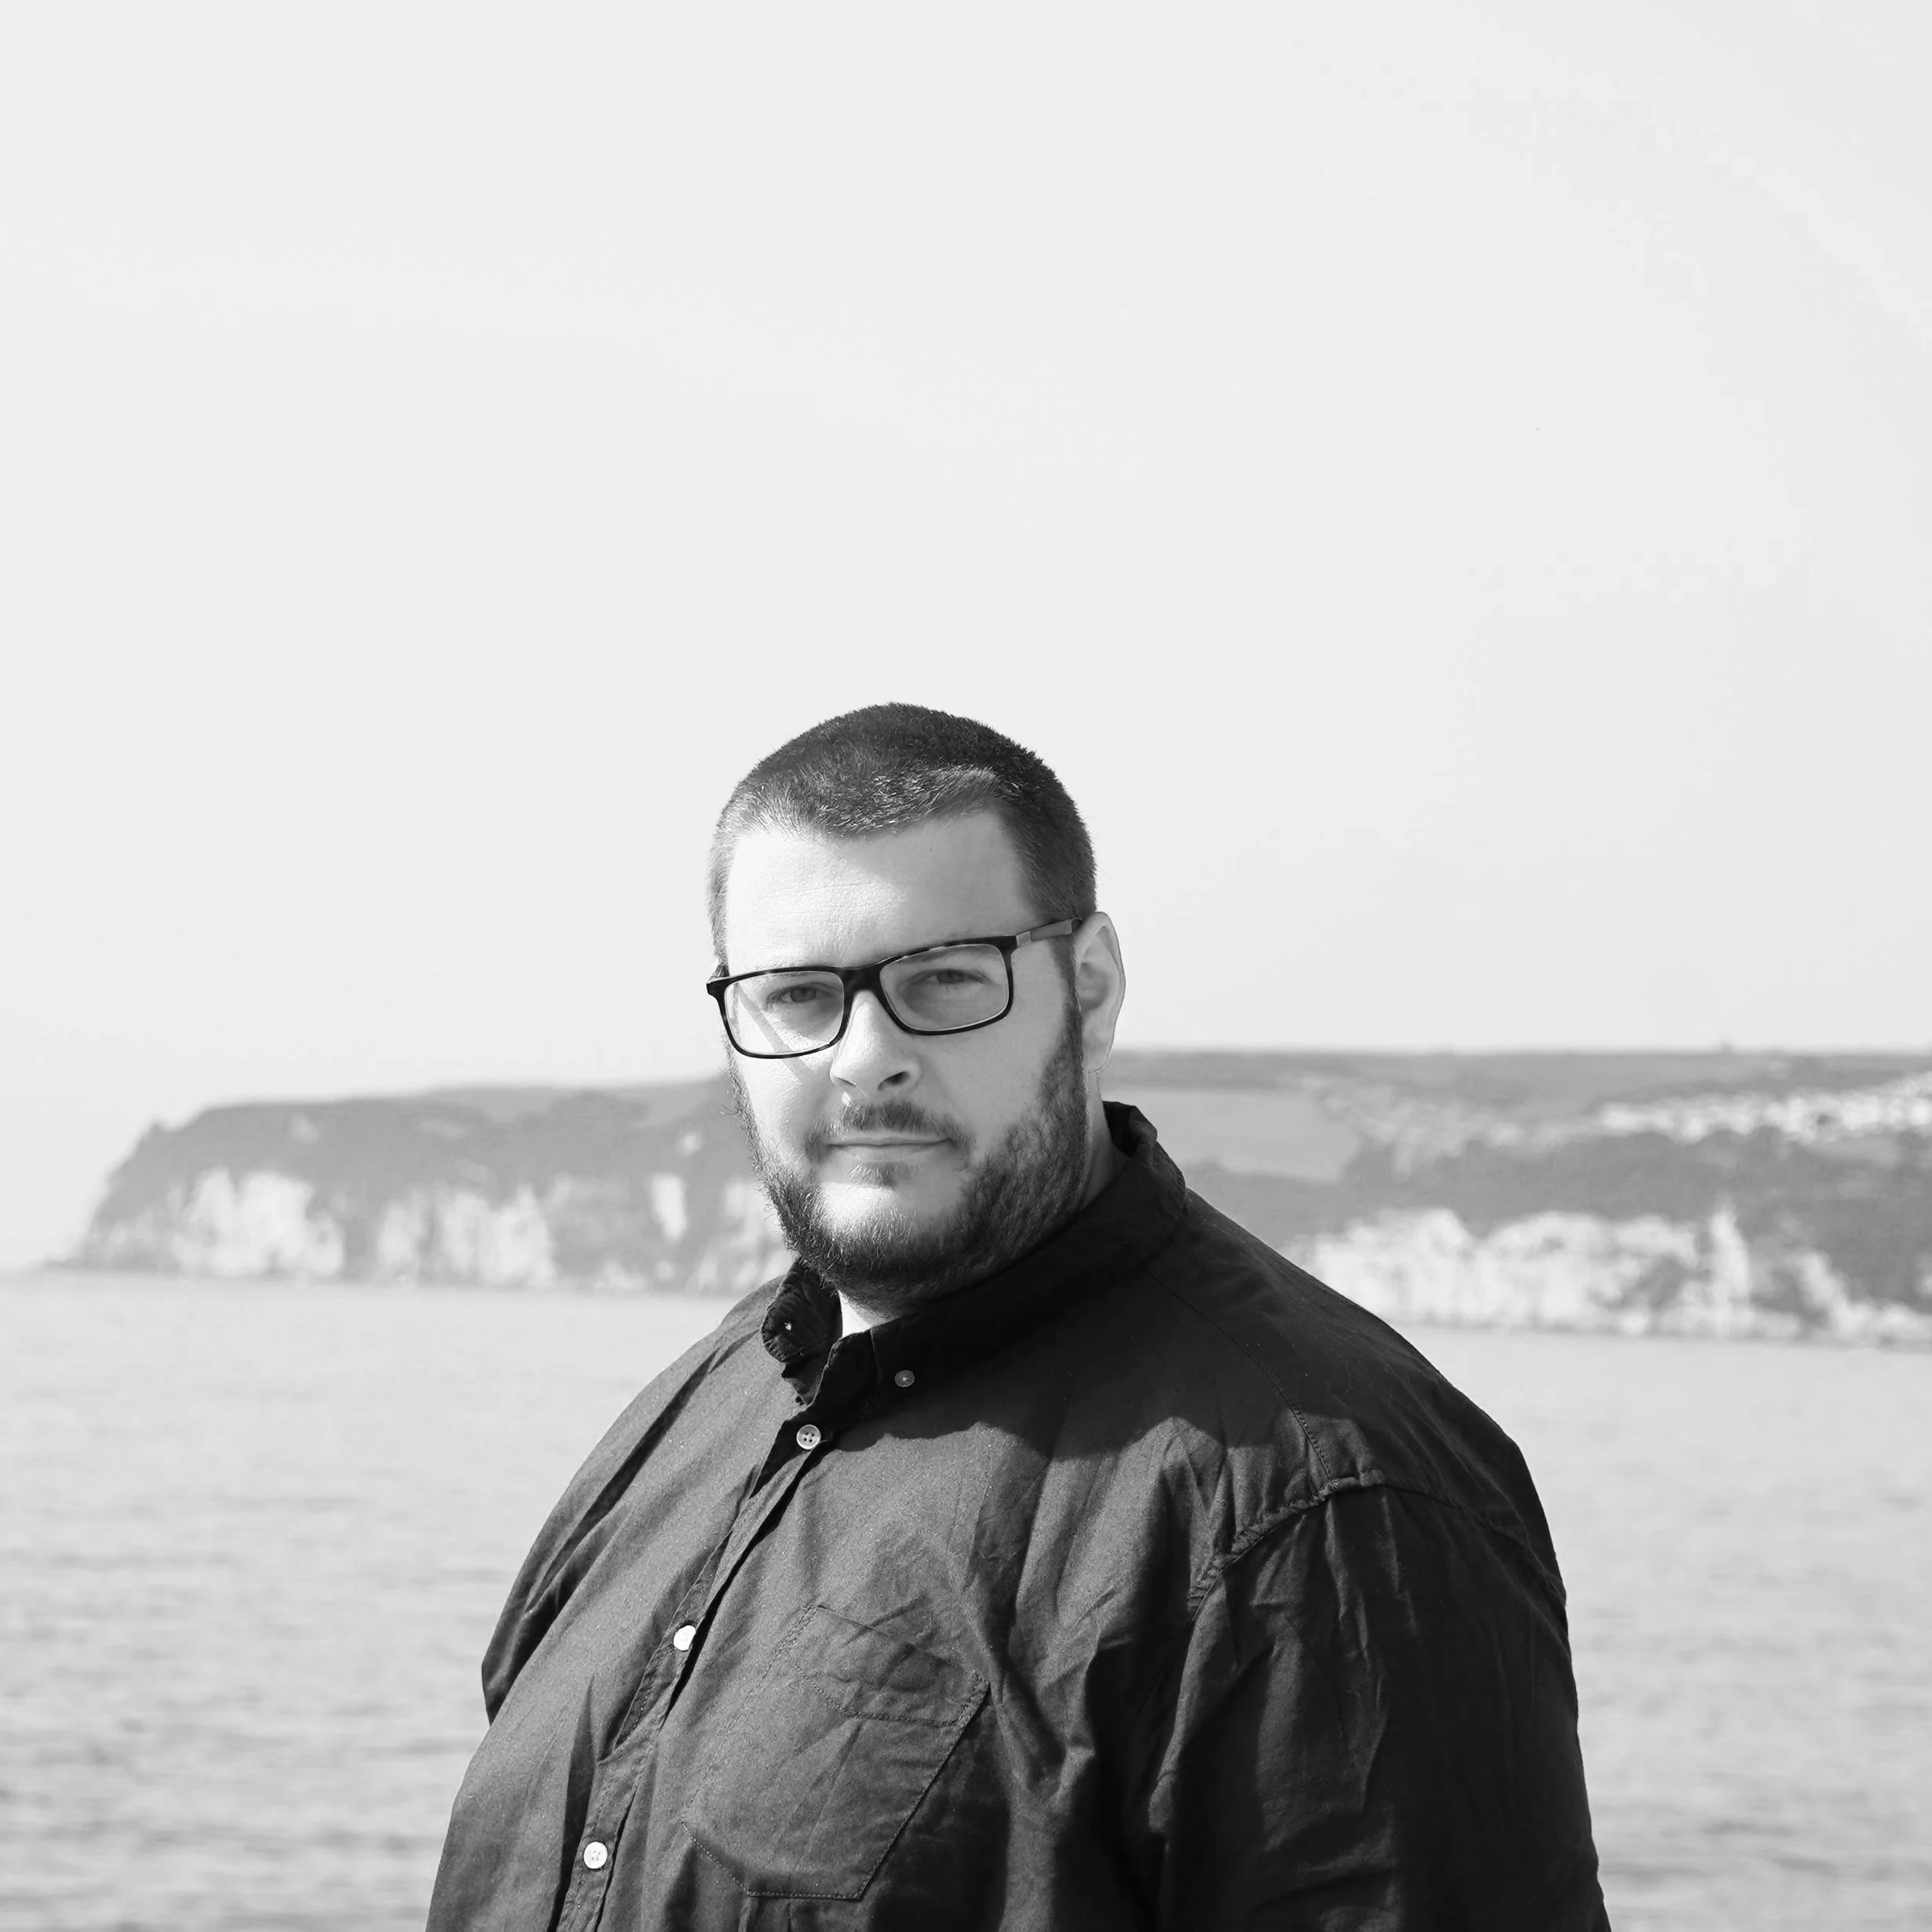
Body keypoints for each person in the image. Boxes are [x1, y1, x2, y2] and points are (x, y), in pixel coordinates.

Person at [427, 704, 1610, 1930]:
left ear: (1087, 989)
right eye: (796, 995)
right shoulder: (705, 1401)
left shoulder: (1319, 1502)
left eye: (942, 981)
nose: (864, 1058)